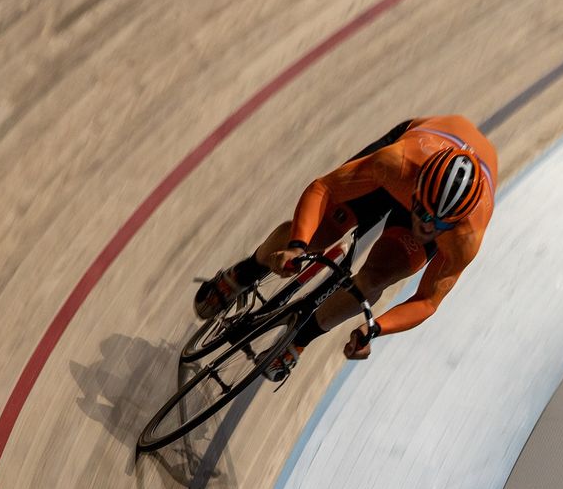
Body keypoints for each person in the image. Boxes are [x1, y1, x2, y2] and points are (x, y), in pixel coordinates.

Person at [194, 115, 498, 381]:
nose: (427, 227)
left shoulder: (465, 236)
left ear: (456, 223)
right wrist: (298, 246)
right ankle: (244, 273)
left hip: (431, 190)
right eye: (424, 212)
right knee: (320, 232)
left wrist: (375, 328)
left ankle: (301, 338)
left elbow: (428, 302)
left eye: (439, 225)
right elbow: (323, 188)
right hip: (406, 162)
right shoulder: (396, 162)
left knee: (378, 277)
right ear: (416, 188)